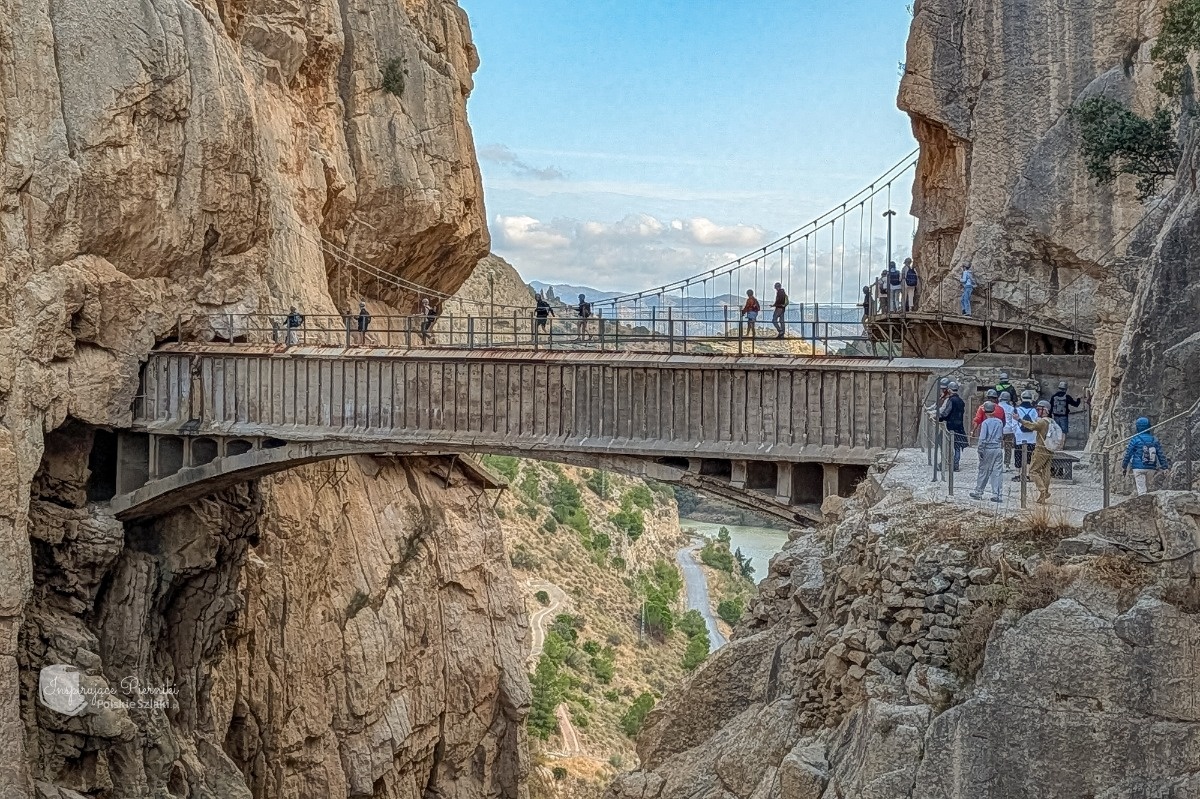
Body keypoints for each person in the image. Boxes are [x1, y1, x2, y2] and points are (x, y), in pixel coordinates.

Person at [1122, 417, 1170, 496]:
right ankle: (1149, 503)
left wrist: (1124, 466)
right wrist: (1165, 467)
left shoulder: (1135, 439)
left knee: (1141, 490)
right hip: (1151, 467)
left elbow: (1128, 454)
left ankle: (1143, 504)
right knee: (1148, 488)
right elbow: (1160, 454)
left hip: (1138, 467)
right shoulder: (1154, 439)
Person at [1018, 400, 1054, 504]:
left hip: (1041, 449)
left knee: (1033, 471)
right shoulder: (1051, 421)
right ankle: (1044, 494)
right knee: (1046, 472)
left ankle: (1043, 491)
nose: (1037, 411)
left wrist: (1020, 420)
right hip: (1049, 449)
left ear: (1045, 410)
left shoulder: (1042, 422)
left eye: (1039, 409)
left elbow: (1032, 426)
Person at [970, 401, 1005, 502]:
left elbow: (982, 438)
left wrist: (980, 449)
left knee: (983, 471)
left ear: (984, 411)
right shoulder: (999, 422)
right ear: (994, 410)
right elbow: (1001, 435)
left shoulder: (985, 423)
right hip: (997, 448)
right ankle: (997, 494)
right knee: (997, 472)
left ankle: (978, 492)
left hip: (987, 448)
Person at [1009, 390, 1039, 480]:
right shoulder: (1034, 410)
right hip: (1031, 436)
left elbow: (1013, 424)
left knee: (1018, 454)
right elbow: (1036, 422)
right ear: (1031, 399)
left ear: (1021, 398)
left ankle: (1018, 474)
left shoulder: (1017, 409)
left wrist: (1016, 432)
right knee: (1030, 455)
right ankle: (1027, 474)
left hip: (1019, 436)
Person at [938, 380, 967, 471]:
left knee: (948, 445)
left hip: (951, 426)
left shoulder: (951, 400)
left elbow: (946, 412)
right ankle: (956, 465)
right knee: (957, 446)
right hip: (960, 426)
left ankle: (947, 463)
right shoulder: (961, 401)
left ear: (950, 390)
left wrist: (940, 418)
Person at [998, 390, 1017, 468]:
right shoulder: (1011, 408)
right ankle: (1007, 464)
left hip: (999, 429)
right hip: (1009, 429)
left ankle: (998, 463)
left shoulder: (997, 406)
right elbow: (1013, 420)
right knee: (1008, 448)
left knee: (998, 447)